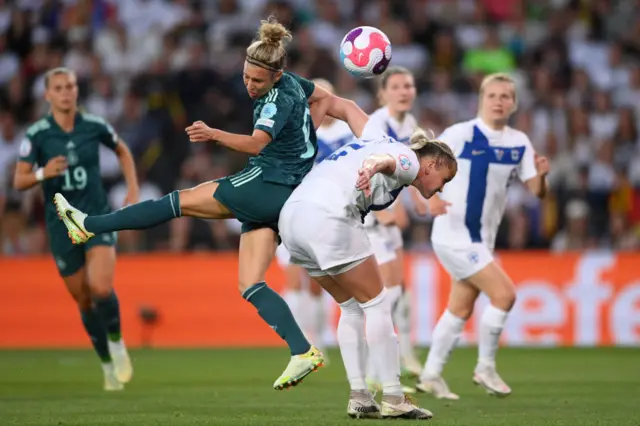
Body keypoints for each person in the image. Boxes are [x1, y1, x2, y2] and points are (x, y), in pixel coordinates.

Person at [52, 17, 369, 390]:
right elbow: (328, 100)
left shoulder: (275, 98)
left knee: (178, 202)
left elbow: (255, 144)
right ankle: (302, 351)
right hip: (284, 192)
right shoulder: (296, 84)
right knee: (250, 283)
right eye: (247, 77)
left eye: (258, 81)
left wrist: (213, 133)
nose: (250, 85)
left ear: (276, 76)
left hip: (265, 181)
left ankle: (88, 225)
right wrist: (306, 136)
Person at [279, 127, 457, 419]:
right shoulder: (410, 158)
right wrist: (371, 167)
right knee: (377, 304)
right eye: (444, 179)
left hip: (292, 222)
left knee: (351, 306)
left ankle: (360, 395)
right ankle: (394, 396)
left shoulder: (375, 137)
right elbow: (386, 161)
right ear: (433, 164)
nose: (442, 187)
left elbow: (347, 110)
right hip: (329, 216)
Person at [416, 73, 550, 399]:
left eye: (506, 96)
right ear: (481, 99)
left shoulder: (519, 142)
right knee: (505, 295)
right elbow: (423, 165)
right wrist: (430, 198)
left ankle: (431, 374)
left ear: (514, 103)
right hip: (454, 233)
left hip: (480, 240)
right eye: (493, 95)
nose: (499, 101)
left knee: (460, 308)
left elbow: (536, 191)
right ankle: (485, 367)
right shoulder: (461, 134)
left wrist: (543, 178)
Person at [13, 67, 138, 391]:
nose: (66, 92)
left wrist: (132, 189)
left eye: (70, 86)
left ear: (76, 91)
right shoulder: (38, 134)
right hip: (61, 226)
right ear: (48, 95)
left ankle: (116, 341)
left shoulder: (93, 125)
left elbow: (122, 149)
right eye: (59, 87)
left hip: (95, 216)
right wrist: (43, 173)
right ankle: (107, 365)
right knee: (83, 300)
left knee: (100, 288)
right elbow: (19, 179)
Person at [277, 78, 354, 351]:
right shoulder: (298, 132)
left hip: (331, 216)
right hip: (294, 212)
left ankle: (320, 338)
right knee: (294, 276)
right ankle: (301, 343)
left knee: (318, 283)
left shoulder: (349, 133)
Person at [364, 66, 424, 381]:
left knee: (398, 291)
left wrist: (422, 199)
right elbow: (361, 168)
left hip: (390, 214)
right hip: (371, 216)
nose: (404, 92)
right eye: (397, 86)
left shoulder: (410, 124)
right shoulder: (375, 125)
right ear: (383, 93)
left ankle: (397, 358)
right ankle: (376, 369)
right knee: (385, 294)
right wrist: (380, 211)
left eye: (409, 86)